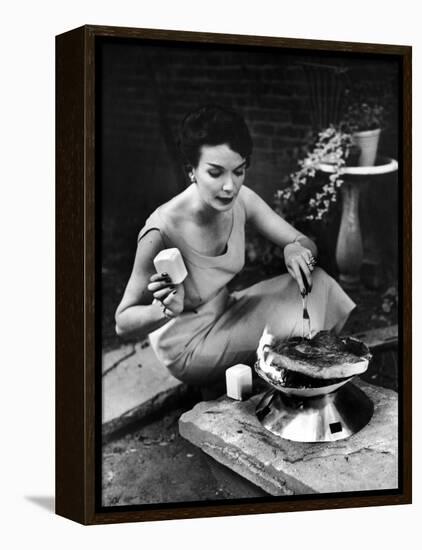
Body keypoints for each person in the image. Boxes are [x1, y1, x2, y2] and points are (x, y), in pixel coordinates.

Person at [115, 104, 356, 388]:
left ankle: (309, 376)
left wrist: (294, 248)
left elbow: (305, 245)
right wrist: (164, 311)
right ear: (191, 171)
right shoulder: (161, 230)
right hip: (189, 344)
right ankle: (302, 385)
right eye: (215, 173)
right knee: (297, 326)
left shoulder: (242, 201)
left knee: (318, 283)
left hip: (227, 309)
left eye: (238, 171)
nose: (230, 186)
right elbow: (122, 323)